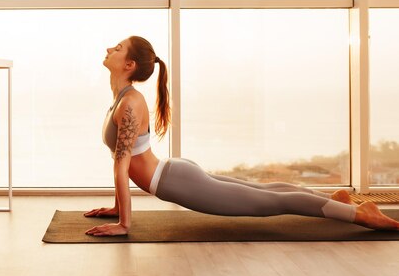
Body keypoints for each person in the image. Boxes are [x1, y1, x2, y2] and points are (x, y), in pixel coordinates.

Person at [84, 36, 399, 236]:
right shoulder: (123, 98)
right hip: (174, 174)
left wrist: (124, 223)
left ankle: (358, 214)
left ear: (129, 64)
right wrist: (116, 208)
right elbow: (124, 159)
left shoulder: (128, 104)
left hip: (175, 180)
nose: (109, 48)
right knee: (266, 190)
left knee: (268, 201)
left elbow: (122, 167)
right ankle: (335, 199)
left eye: (118, 47)